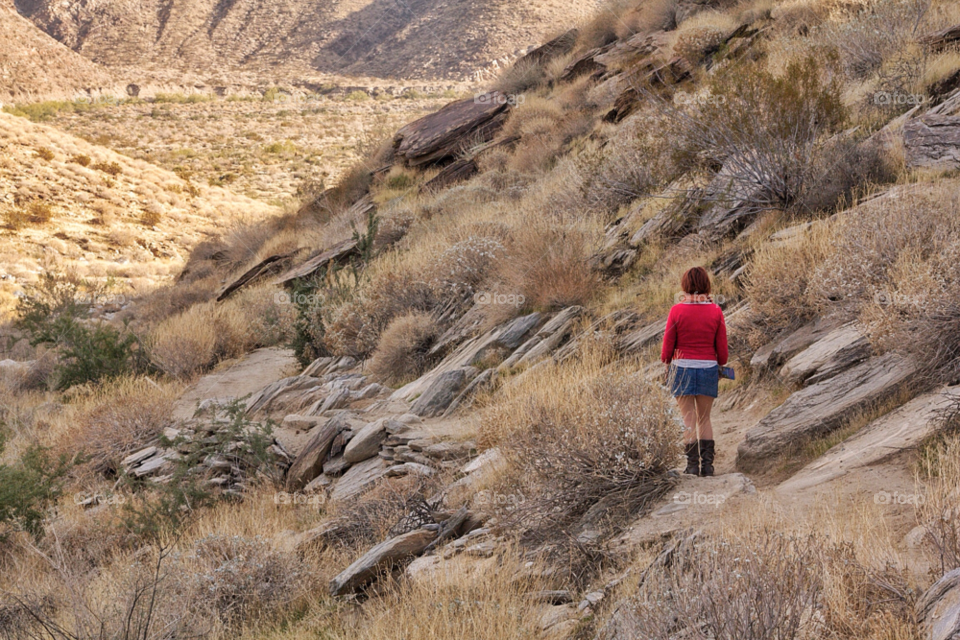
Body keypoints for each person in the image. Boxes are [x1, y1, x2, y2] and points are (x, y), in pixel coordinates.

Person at [660, 267, 728, 477]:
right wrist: (720, 364)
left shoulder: (676, 311)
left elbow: (667, 348)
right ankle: (707, 467)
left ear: (685, 285)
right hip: (707, 368)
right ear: (707, 284)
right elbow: (723, 351)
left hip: (682, 368)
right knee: (704, 419)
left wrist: (667, 363)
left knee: (687, 419)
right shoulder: (716, 311)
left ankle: (691, 467)